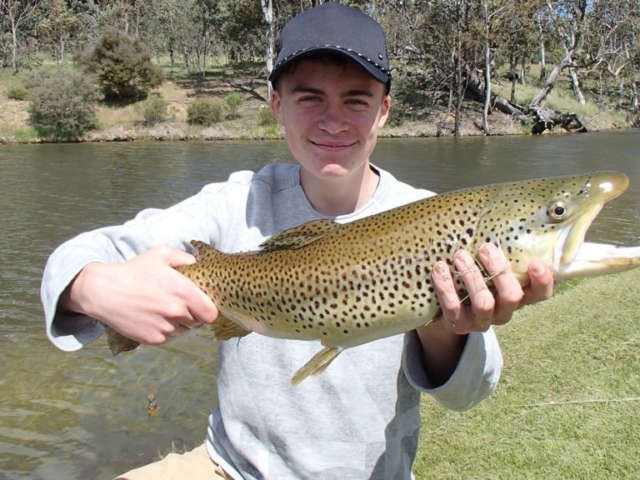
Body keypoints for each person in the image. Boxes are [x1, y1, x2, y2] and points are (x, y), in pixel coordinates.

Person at [41, 2, 554, 479]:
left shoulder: (435, 221)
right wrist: (94, 289)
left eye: (356, 100)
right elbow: (76, 257)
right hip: (230, 468)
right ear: (277, 106)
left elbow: (468, 396)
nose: (333, 120)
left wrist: (444, 329)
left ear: (384, 111)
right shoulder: (232, 204)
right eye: (310, 98)